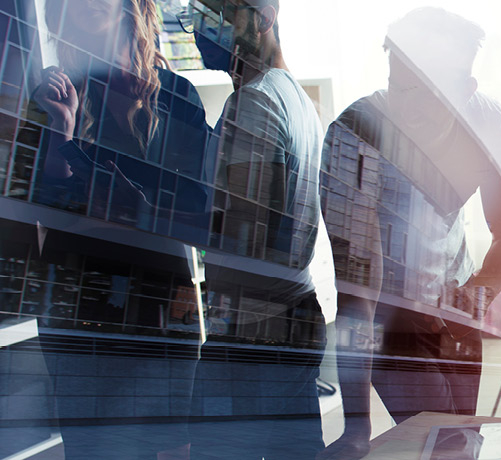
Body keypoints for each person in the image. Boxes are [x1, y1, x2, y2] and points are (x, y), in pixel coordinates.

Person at [317, 8, 501, 460]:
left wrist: (477, 293)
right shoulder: (353, 138)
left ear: (464, 91)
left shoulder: (490, 126)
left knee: (461, 443)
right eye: (399, 87)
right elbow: (357, 293)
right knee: (446, 446)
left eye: (425, 93)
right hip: (388, 315)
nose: (407, 106)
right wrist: (356, 429)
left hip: (455, 304)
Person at [26, 0, 211, 458]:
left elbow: (202, 209)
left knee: (171, 444)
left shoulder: (177, 97)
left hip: (163, 303)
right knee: (92, 447)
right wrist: (62, 131)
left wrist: (141, 210)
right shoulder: (54, 93)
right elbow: (40, 208)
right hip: (81, 306)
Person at [183, 0, 331, 458]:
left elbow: (245, 232)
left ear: (261, 19)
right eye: (196, 16)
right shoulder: (296, 97)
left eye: (217, 16)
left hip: (254, 332)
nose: (200, 30)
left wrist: (152, 209)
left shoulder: (254, 103)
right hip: (291, 315)